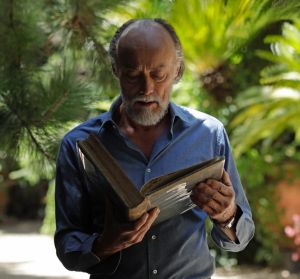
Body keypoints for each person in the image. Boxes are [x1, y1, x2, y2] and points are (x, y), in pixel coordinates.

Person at [54, 18, 255, 279]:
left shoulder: (209, 134)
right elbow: (67, 245)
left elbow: (242, 236)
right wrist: (105, 244)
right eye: (133, 74)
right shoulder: (78, 145)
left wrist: (227, 214)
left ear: (177, 71)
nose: (147, 88)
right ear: (116, 70)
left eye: (158, 75)